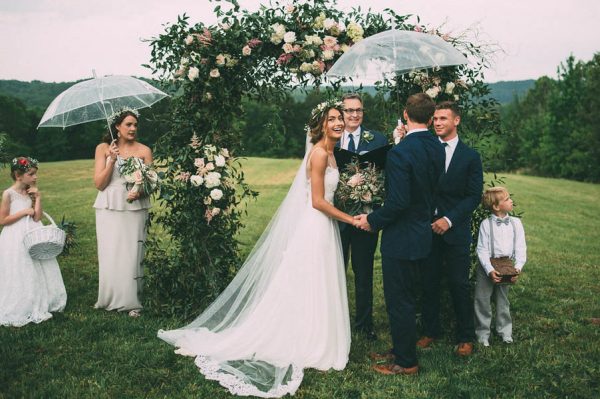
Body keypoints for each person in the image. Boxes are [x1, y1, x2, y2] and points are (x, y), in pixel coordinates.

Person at [158, 100, 359, 398]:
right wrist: (351, 219)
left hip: (324, 227)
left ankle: (317, 334)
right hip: (315, 226)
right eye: (332, 119)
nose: (339, 122)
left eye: (340, 118)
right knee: (310, 280)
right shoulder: (318, 154)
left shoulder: (332, 153)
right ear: (321, 125)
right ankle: (305, 338)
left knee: (319, 281)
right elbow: (317, 201)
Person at [355, 93, 445, 375]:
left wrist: (372, 220)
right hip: (423, 233)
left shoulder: (400, 153)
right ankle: (400, 348)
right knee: (407, 295)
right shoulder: (437, 147)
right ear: (431, 119)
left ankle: (406, 362)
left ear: (406, 115)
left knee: (399, 300)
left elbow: (398, 202)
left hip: (401, 237)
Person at [417, 101, 483, 356]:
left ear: (456, 121)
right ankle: (430, 331)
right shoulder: (426, 150)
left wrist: (449, 220)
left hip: (455, 230)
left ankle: (466, 336)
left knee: (458, 283)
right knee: (428, 282)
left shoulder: (470, 156)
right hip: (428, 229)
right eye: (434, 118)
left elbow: (473, 196)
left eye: (443, 118)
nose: (437, 122)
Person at [337, 92, 388, 340]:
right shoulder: (331, 138)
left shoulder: (377, 140)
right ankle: (334, 322)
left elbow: (385, 178)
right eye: (349, 111)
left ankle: (364, 324)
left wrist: (372, 202)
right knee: (333, 271)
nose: (354, 115)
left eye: (358, 110)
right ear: (341, 112)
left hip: (366, 219)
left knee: (364, 273)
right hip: (335, 219)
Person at [93, 108, 152, 317]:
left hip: (134, 206)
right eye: (128, 124)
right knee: (110, 250)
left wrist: (139, 190)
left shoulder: (144, 151)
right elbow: (99, 184)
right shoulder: (103, 148)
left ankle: (131, 300)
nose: (133, 128)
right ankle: (108, 297)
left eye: (135, 124)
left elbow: (149, 184)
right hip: (108, 205)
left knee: (131, 251)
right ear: (117, 127)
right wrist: (110, 161)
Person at [0, 157, 67, 326]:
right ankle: (22, 301)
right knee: (21, 266)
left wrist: (37, 198)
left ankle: (43, 297)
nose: (35, 177)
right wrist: (24, 212)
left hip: (33, 233)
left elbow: (37, 216)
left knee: (39, 264)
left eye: (35, 174)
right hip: (15, 236)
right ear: (18, 175)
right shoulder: (8, 194)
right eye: (31, 174)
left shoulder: (31, 192)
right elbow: (3, 220)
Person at [475, 187, 526, 346]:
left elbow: (520, 247)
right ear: (496, 206)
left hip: (506, 266)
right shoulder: (486, 224)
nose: (511, 201)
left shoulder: (516, 223)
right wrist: (489, 270)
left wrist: (517, 266)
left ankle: (505, 332)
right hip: (487, 267)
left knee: (503, 300)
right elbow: (482, 250)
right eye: (507, 199)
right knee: (482, 300)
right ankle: (483, 334)